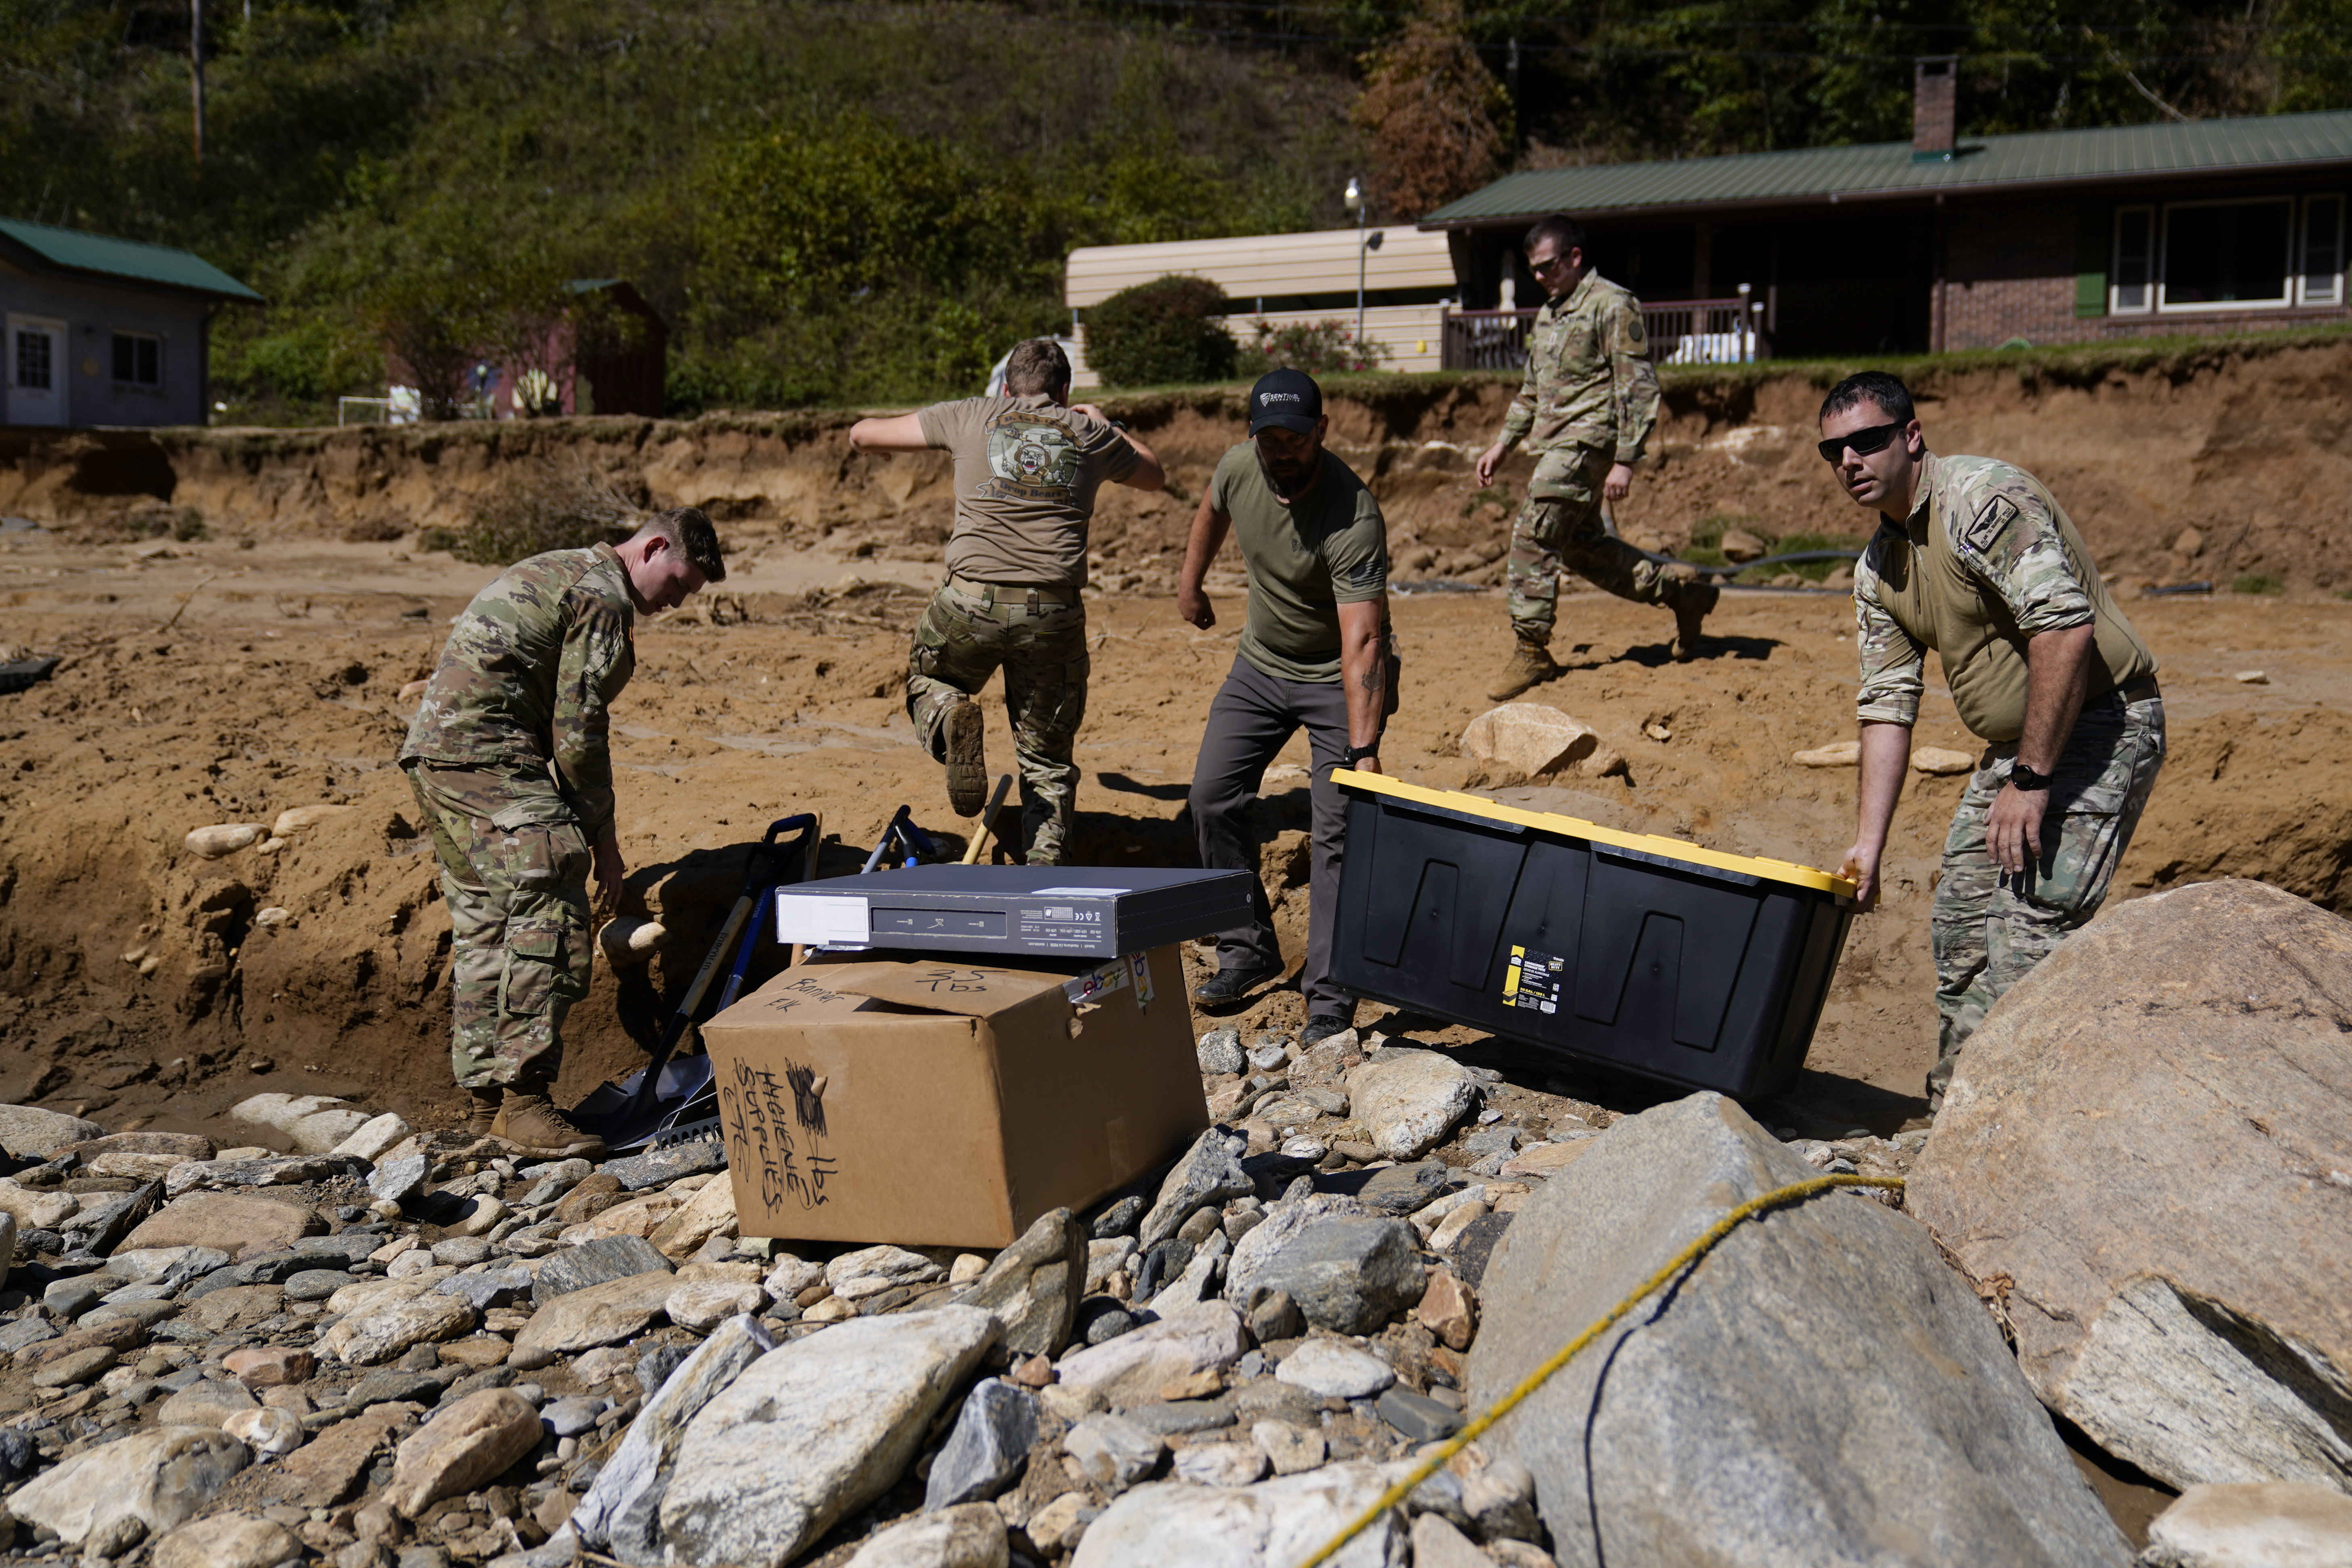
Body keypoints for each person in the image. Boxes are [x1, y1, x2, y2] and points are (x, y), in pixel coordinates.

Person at [1820, 371, 2164, 1108]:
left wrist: (2033, 782)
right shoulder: (1878, 567)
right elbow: (1886, 703)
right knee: (1961, 933)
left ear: (1909, 437)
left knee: (2026, 933)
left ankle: (2030, 1123)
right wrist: (1867, 843)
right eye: (1833, 451)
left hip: (2101, 724)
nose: (1849, 460)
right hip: (2017, 754)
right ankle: (1958, 1116)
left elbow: (2063, 629)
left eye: (1866, 441)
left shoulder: (1982, 501)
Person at [400, 507, 726, 1157]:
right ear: (654, 546)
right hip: (489, 756)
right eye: (679, 584)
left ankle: (487, 1105)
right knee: (551, 898)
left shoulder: (564, 568)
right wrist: (602, 839)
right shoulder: (603, 596)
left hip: (438, 756)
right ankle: (524, 1102)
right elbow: (577, 733)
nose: (676, 603)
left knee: (488, 924)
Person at [850, 339, 1163, 865]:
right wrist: (1108, 424)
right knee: (1046, 757)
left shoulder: (968, 414)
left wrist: (879, 447)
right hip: (1052, 611)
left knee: (932, 680)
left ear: (1005, 386)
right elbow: (1156, 476)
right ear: (1065, 391)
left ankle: (950, 720)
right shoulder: (1091, 434)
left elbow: (862, 433)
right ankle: (1044, 858)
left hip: (971, 599)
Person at [1178, 368, 1396, 1048]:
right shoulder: (1239, 467)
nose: (1281, 450)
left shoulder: (1352, 515)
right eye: (1268, 438)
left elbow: (1363, 640)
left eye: (1295, 438)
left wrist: (1363, 753)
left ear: (1320, 433)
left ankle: (1329, 994)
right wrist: (1190, 583)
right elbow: (1212, 510)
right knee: (1210, 796)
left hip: (1338, 678)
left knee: (1334, 831)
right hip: (1260, 666)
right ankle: (1246, 951)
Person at [1473, 214, 1718, 700]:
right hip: (1553, 440)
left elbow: (1637, 383)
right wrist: (1502, 444)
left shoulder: (1611, 303)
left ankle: (1531, 649)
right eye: (1533, 270)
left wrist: (1626, 457)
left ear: (1574, 257)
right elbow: (1530, 391)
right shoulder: (1548, 314)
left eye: (1546, 267)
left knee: (1535, 529)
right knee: (1584, 549)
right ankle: (1683, 596)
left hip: (1589, 440)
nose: (1539, 277)